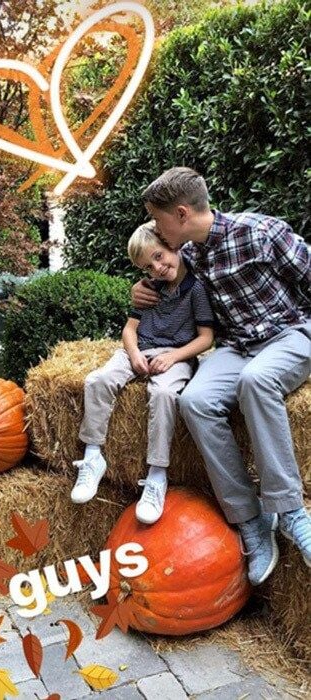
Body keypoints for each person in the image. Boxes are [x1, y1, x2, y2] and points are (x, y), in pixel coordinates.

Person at [131, 166, 311, 583]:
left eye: (157, 221)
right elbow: (164, 284)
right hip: (239, 347)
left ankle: (290, 512)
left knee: (257, 381)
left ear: (180, 214)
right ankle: (250, 519)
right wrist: (139, 291)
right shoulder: (188, 254)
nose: (155, 230)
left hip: (290, 334)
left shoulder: (261, 232)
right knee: (194, 401)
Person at [71, 222, 214, 524]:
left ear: (174, 246)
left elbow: (205, 338)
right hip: (138, 349)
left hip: (174, 356)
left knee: (163, 394)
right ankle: (93, 455)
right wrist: (134, 354)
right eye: (148, 266)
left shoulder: (197, 290)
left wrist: (174, 356)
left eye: (160, 257)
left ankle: (157, 475)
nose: (158, 268)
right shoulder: (148, 289)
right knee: (97, 380)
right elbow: (129, 330)